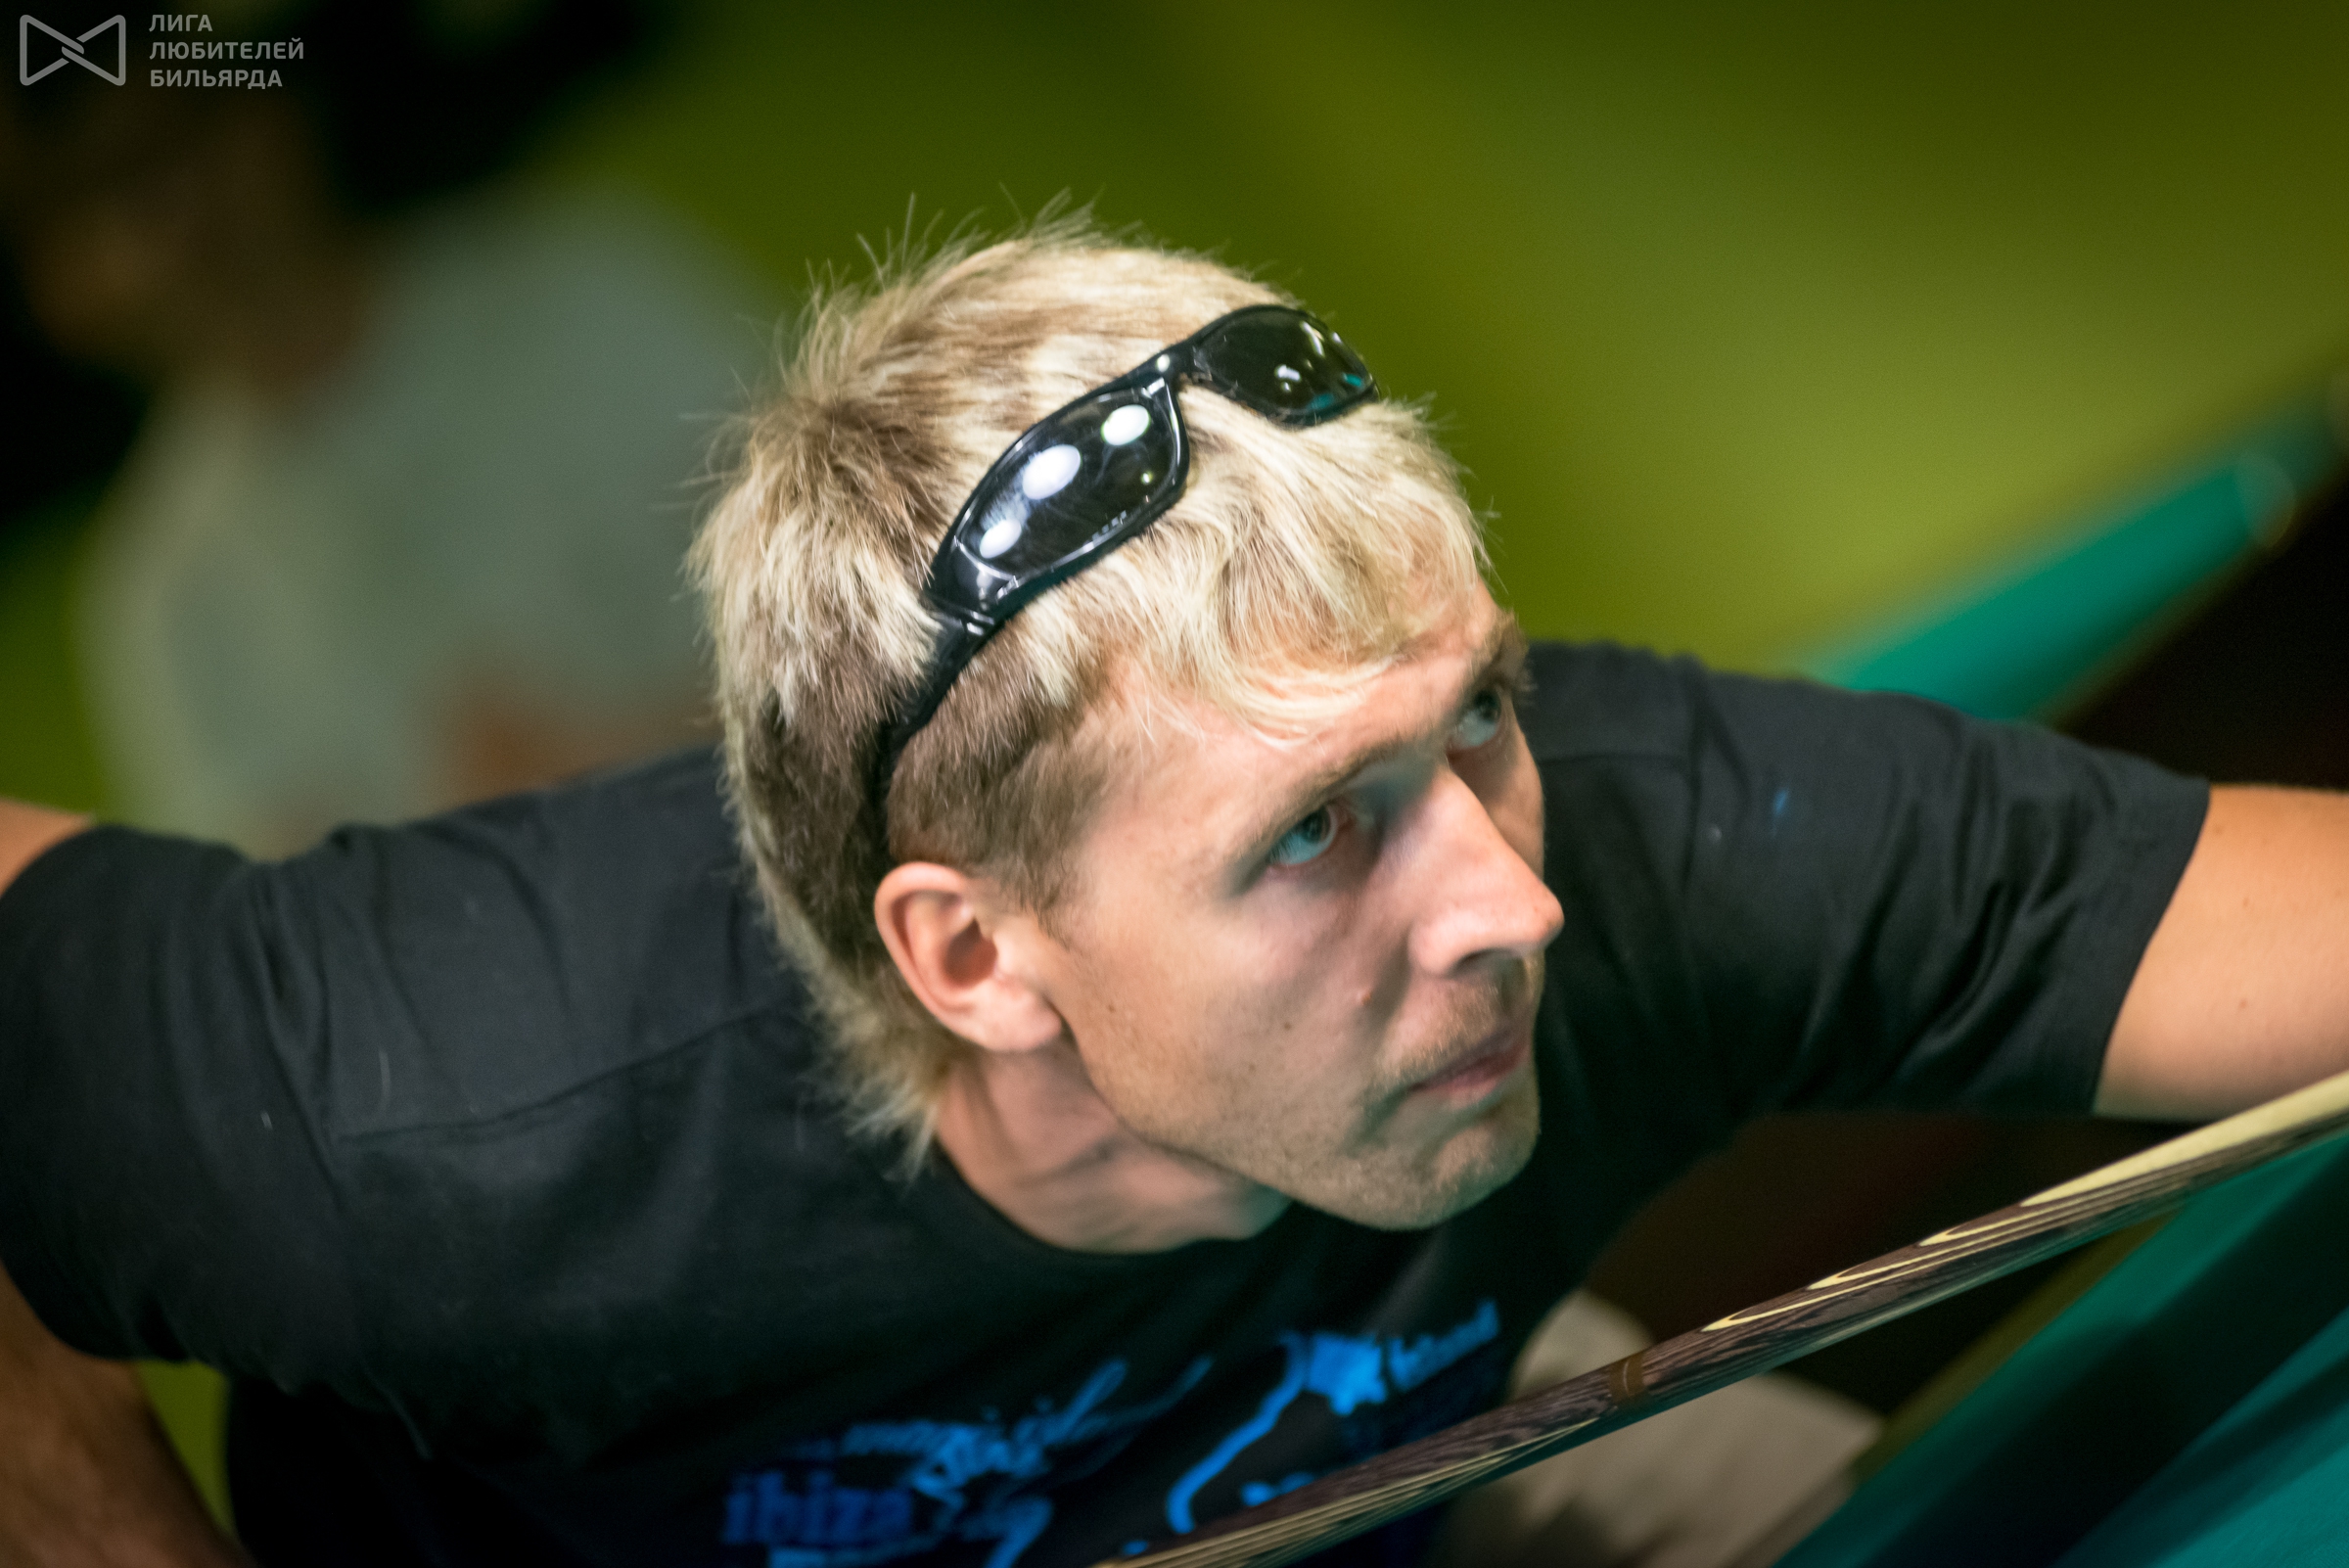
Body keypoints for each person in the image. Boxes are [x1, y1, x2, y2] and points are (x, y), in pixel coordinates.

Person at [4, 224, 2348, 1568]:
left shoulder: (1640, 835)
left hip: (1403, 1471)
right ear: (974, 956)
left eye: (1475, 716)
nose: (1509, 903)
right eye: (1314, 830)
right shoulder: (444, 1105)